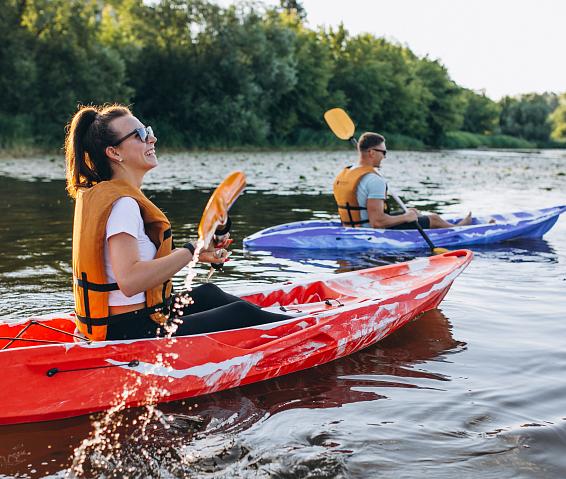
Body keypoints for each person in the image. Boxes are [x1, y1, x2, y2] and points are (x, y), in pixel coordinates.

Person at [65, 104, 289, 342]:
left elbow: (127, 264)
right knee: (240, 313)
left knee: (208, 293)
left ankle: (284, 322)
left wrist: (197, 254)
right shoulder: (123, 205)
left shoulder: (108, 197)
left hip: (130, 321)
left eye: (147, 130)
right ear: (114, 153)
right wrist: (191, 250)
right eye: (140, 135)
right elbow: (129, 281)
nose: (152, 138)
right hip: (129, 330)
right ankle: (303, 330)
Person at [333, 132, 472, 229]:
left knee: (414, 213)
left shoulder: (346, 172)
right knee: (433, 218)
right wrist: (406, 218)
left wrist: (407, 214)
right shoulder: (374, 180)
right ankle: (457, 230)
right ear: (372, 152)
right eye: (384, 152)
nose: (385, 157)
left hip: (351, 227)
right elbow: (377, 223)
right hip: (370, 231)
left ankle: (447, 225)